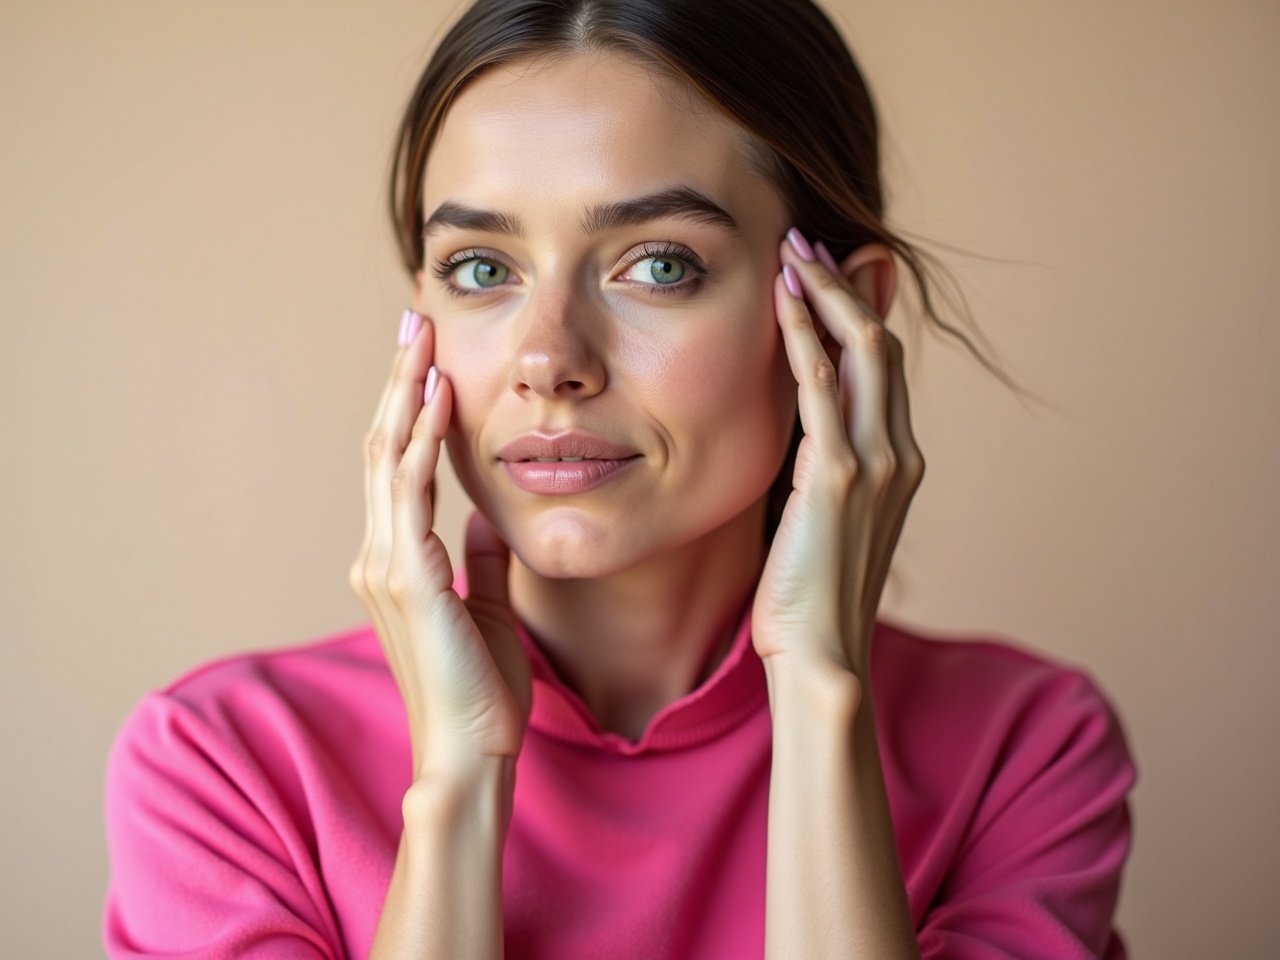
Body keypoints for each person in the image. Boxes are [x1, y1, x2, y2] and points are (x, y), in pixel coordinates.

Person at [101, 1, 1137, 957]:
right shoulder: (224, 767)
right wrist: (457, 791)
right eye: (479, 269)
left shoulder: (1025, 753)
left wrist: (822, 694)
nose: (547, 357)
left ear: (841, 316)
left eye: (656, 264)